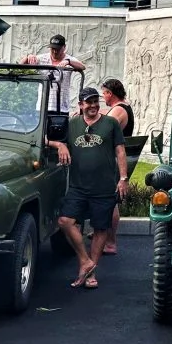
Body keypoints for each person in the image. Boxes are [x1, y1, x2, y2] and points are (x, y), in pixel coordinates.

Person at [46, 86, 128, 289]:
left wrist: (123, 178)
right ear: (81, 104)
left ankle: (91, 274)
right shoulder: (72, 124)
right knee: (65, 221)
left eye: (95, 101)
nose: (92, 105)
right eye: (88, 102)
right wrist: (60, 145)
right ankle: (85, 260)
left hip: (104, 187)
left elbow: (120, 151)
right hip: (78, 186)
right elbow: (46, 140)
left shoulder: (110, 123)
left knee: (100, 228)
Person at [99, 78, 135, 255]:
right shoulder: (122, 107)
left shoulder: (119, 110)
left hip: (112, 160)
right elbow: (107, 114)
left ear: (110, 93)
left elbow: (102, 128)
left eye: (103, 93)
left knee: (110, 202)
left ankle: (111, 243)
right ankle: (104, 234)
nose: (102, 97)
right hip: (114, 158)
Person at [20, 34, 86, 112]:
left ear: (64, 47)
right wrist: (28, 57)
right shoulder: (42, 58)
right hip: (42, 107)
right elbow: (20, 66)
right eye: (53, 49)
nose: (55, 52)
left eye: (58, 49)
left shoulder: (69, 59)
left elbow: (82, 67)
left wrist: (68, 62)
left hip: (61, 108)